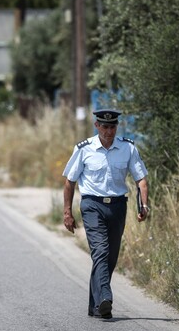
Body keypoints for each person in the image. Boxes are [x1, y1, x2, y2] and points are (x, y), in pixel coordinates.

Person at [62, 109, 149, 319]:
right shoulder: (84, 149)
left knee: (110, 257)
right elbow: (69, 181)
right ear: (96, 125)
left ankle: (96, 306)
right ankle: (106, 298)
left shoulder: (127, 148)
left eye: (112, 127)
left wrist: (144, 205)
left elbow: (141, 180)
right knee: (100, 251)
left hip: (118, 206)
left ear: (116, 127)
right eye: (104, 127)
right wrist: (67, 212)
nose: (108, 131)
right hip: (92, 205)